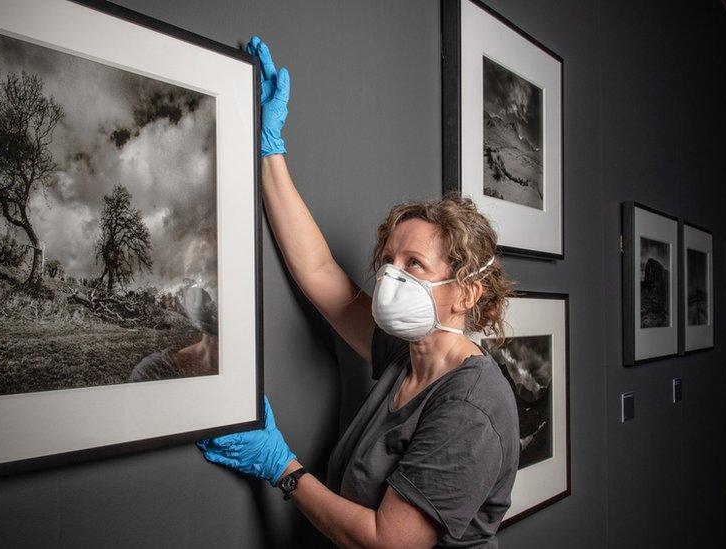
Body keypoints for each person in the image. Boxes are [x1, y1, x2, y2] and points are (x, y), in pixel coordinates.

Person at [196, 37, 519, 548]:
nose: (392, 277)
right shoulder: (408, 353)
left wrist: (283, 468)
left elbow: (387, 541)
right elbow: (323, 272)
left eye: (415, 264)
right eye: (389, 261)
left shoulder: (472, 404)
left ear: (467, 293)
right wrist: (269, 148)